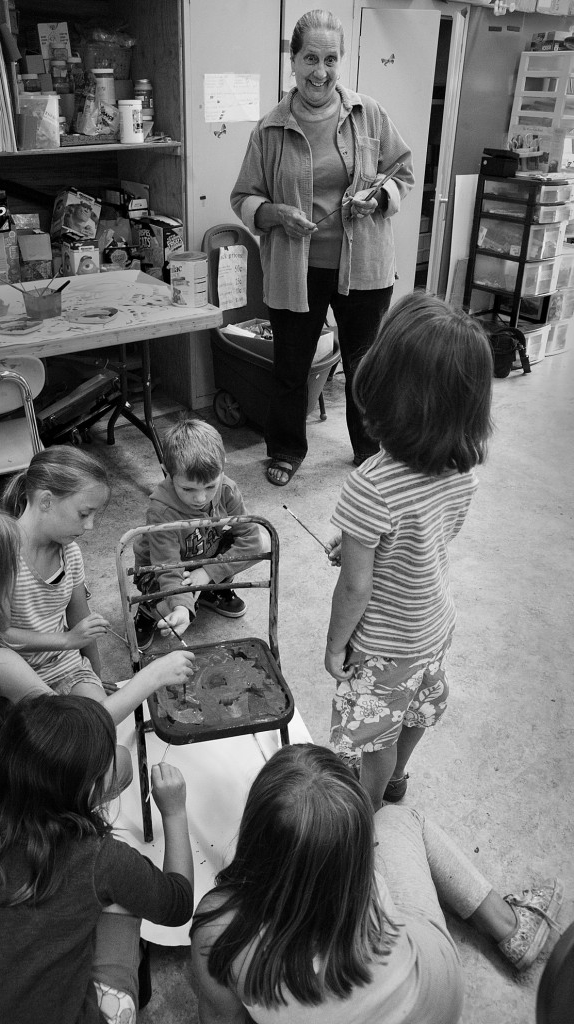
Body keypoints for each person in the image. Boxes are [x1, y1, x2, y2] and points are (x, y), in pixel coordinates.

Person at [0, 501, 193, 897]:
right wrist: (153, 676)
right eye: (7, 578)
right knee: (119, 762)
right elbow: (78, 727)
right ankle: (44, 853)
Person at [191, 744, 565, 1024]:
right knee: (400, 819)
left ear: (255, 833)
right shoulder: (365, 876)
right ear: (357, 843)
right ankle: (509, 925)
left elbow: (220, 1020)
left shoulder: (219, 927)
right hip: (438, 999)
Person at [324, 292, 493, 810]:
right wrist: (363, 543)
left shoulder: (370, 485)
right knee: (417, 710)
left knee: (373, 735)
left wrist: (334, 647)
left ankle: (369, 807)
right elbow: (428, 537)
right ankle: (398, 777)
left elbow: (355, 587)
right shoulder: (462, 470)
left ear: (383, 382)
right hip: (433, 626)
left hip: (382, 643)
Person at [231, 9, 414, 486]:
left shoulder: (368, 113)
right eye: (310, 58)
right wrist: (274, 215)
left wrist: (377, 199)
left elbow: (402, 173)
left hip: (365, 268)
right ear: (292, 61)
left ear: (341, 62)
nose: (321, 71)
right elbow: (243, 196)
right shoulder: (270, 129)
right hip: (297, 268)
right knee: (291, 367)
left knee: (364, 366)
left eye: (331, 59)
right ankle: (287, 448)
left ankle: (368, 451)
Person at [0, 695, 194, 1024]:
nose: (115, 762)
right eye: (105, 762)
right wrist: (175, 811)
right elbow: (178, 904)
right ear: (87, 791)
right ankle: (127, 999)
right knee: (122, 901)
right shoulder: (99, 858)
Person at [2, 446, 135, 696]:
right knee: (57, 728)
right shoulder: (1, 555)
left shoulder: (70, 552)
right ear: (46, 501)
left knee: (98, 719)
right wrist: (67, 640)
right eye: (84, 513)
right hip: (15, 675)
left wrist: (94, 677)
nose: (90, 525)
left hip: (66, 666)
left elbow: (80, 620)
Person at [132, 418, 269, 650]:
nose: (200, 498)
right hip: (160, 569)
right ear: (167, 471)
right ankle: (149, 609)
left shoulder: (227, 488)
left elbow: (251, 540)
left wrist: (208, 572)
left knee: (264, 543)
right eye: (188, 489)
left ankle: (210, 588)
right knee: (174, 615)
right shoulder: (161, 511)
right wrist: (181, 608)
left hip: (203, 555)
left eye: (209, 486)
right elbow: (167, 567)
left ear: (222, 467)